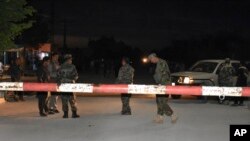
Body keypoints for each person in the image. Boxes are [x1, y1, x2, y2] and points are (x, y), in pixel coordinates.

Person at [148, 53, 178, 124]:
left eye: (151, 59)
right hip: (161, 85)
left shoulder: (161, 62)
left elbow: (160, 76)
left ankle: (173, 115)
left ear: (153, 57)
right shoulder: (159, 63)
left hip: (165, 85)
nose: (151, 61)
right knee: (159, 100)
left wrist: (156, 79)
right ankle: (160, 117)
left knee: (163, 102)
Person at [57, 54, 80, 118]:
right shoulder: (72, 67)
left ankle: (65, 114)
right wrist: (73, 79)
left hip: (63, 85)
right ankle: (74, 113)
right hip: (70, 85)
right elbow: (76, 76)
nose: (71, 61)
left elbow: (58, 76)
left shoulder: (60, 67)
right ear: (69, 59)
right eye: (71, 59)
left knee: (64, 99)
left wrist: (59, 83)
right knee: (72, 99)